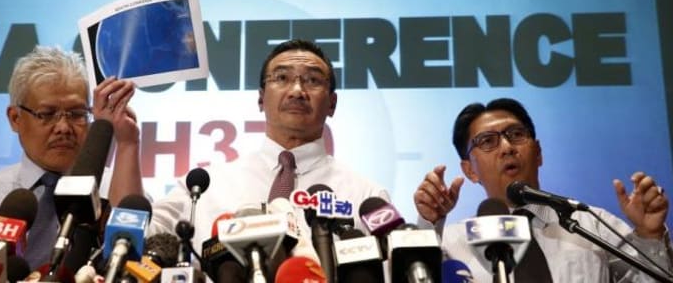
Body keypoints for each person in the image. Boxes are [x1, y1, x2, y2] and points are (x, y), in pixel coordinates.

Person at [115, 38, 389, 254]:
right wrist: (127, 144)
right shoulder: (204, 186)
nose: (297, 91)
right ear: (260, 99)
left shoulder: (366, 196)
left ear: (332, 104)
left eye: (313, 80)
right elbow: (133, 237)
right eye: (282, 78)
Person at [413, 97, 673, 282]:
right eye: (488, 141)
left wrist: (650, 235)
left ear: (538, 153)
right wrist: (429, 223)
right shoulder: (453, 242)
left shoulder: (591, 224)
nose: (507, 147)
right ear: (470, 170)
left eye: (516, 134)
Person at [0, 46, 140, 271]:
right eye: (47, 114)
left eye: (76, 114)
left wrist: (128, 144)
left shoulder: (119, 193)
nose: (63, 127)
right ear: (15, 118)